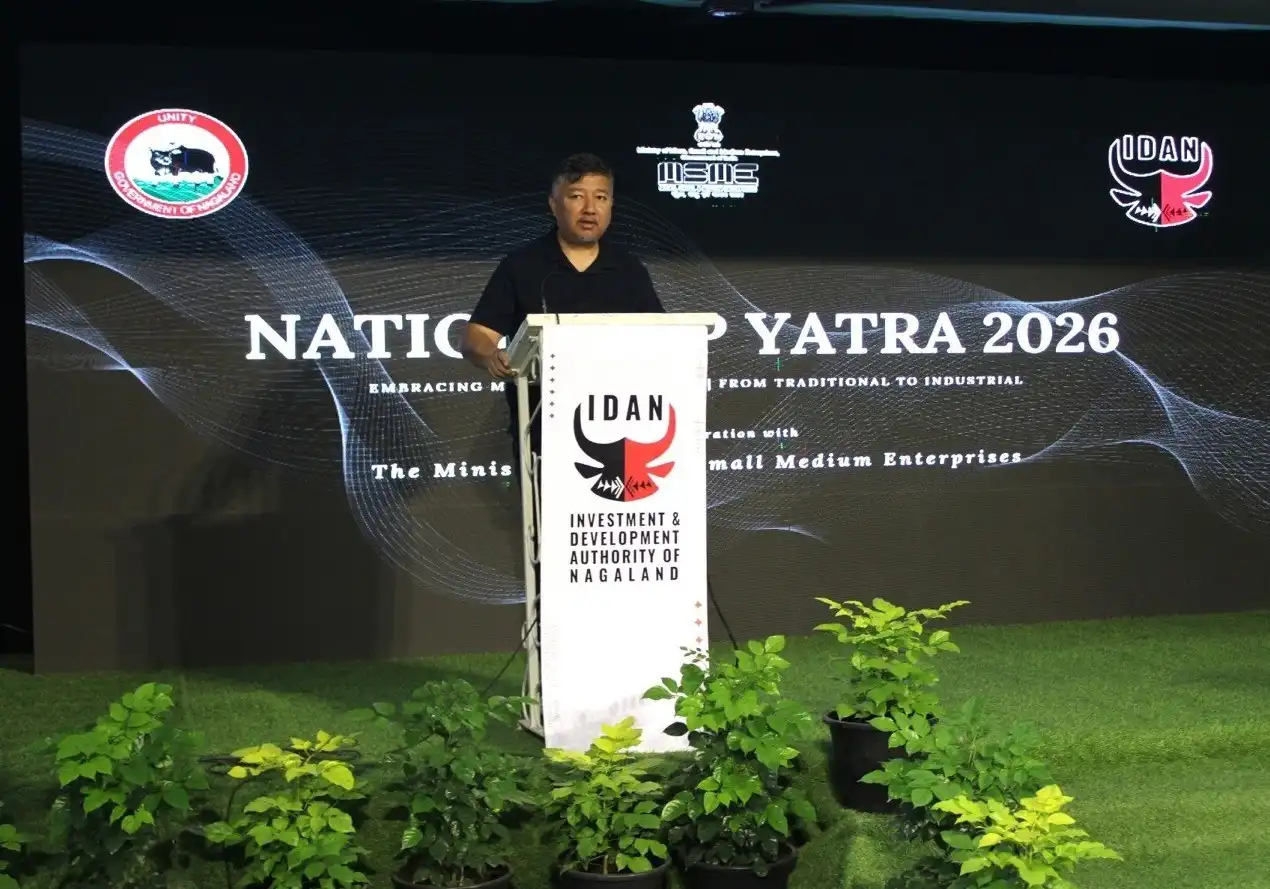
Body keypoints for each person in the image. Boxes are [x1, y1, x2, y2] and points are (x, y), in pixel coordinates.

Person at [461, 152, 665, 470]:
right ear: (554, 204)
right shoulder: (522, 266)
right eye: (576, 196)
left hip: (621, 431)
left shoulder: (629, 269)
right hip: (543, 435)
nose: (590, 208)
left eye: (600, 197)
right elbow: (477, 336)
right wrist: (491, 356)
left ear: (611, 205)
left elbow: (663, 338)